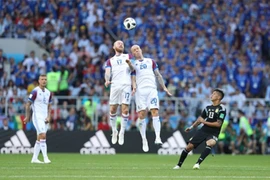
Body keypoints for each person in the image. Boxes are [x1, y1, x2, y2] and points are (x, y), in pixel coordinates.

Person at [130, 45, 172, 152]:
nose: (136, 50)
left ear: (141, 49)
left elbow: (158, 75)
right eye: (134, 50)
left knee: (155, 111)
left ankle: (157, 137)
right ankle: (144, 139)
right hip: (140, 91)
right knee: (142, 114)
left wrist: (164, 88)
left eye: (137, 48)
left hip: (152, 90)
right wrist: (134, 87)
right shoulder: (133, 64)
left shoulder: (151, 61)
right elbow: (133, 77)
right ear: (133, 54)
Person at [173, 89, 226, 170]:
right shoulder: (207, 108)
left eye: (214, 94)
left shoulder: (222, 108)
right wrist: (191, 127)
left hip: (214, 132)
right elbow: (199, 119)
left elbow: (218, 124)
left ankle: (197, 164)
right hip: (203, 130)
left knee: (211, 143)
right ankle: (178, 165)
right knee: (189, 147)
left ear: (219, 97)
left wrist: (204, 122)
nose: (211, 95)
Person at [104, 40, 134, 145]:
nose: (121, 44)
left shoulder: (128, 56)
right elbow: (107, 73)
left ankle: (122, 132)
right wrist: (107, 80)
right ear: (113, 47)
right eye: (118, 43)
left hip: (126, 85)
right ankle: (114, 130)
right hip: (115, 85)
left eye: (122, 43)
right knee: (112, 109)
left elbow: (133, 69)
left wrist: (130, 64)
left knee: (125, 110)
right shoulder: (110, 60)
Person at [23, 74, 52, 164]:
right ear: (39, 81)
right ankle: (45, 158)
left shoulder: (48, 93)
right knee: (43, 135)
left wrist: (49, 116)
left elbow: (49, 106)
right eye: (42, 79)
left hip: (45, 117)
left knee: (40, 138)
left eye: (45, 79)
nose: (44, 81)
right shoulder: (35, 91)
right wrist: (28, 117)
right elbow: (28, 104)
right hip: (37, 117)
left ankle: (34, 158)